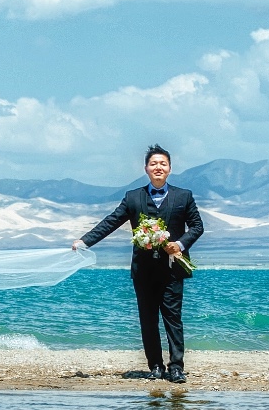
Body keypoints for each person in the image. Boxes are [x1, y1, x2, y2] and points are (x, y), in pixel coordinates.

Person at [73, 145, 203, 383]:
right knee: (148, 318)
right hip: (143, 270)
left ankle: (176, 367)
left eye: (162, 163)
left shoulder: (184, 196)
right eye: (153, 164)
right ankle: (155, 366)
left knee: (173, 318)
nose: (158, 167)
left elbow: (197, 226)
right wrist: (85, 241)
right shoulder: (133, 197)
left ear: (170, 168)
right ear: (146, 169)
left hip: (173, 268)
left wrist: (180, 244)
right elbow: (111, 221)